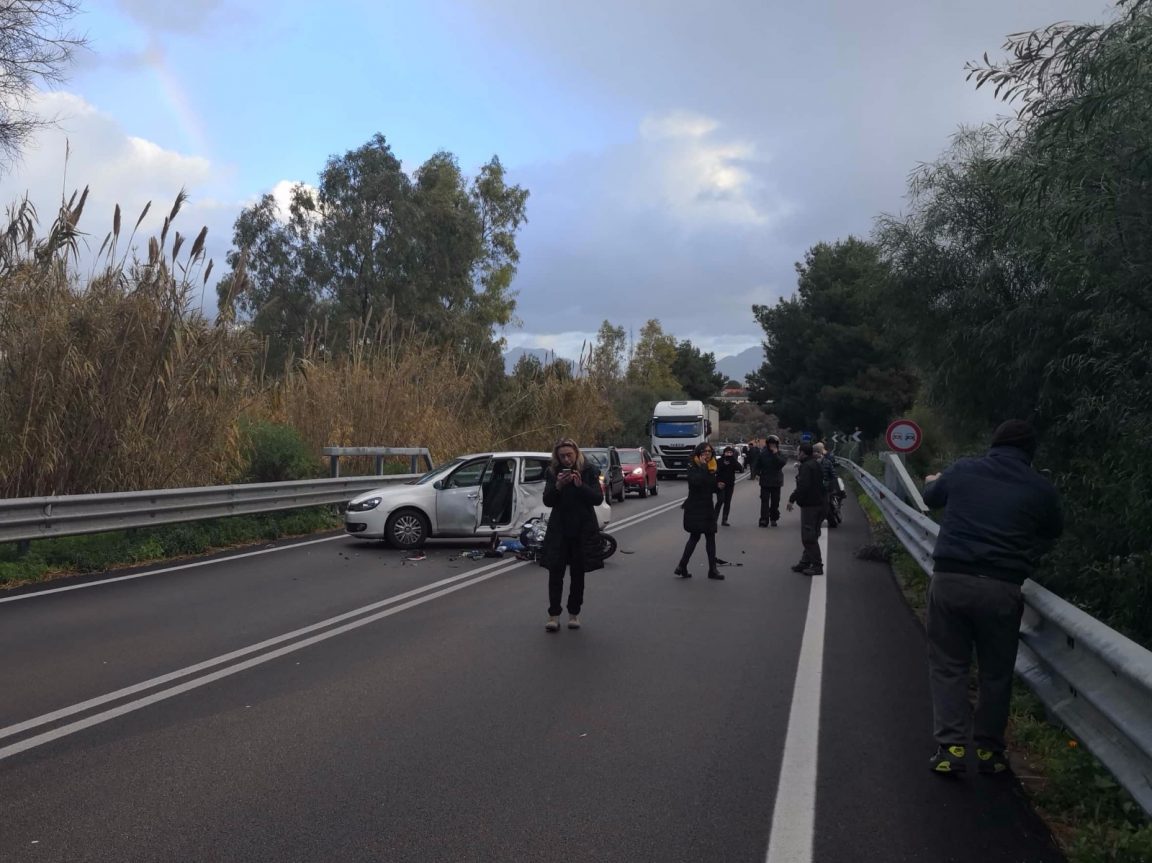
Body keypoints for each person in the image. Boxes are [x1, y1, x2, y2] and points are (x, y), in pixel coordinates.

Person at [922, 419, 1063, 775]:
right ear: (1030, 453)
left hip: (951, 579)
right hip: (1002, 587)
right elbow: (1052, 530)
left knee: (949, 665)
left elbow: (931, 498)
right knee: (996, 673)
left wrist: (933, 480)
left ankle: (951, 747)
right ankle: (988, 751)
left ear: (994, 443)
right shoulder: (1040, 487)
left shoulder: (965, 469)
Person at [541, 438, 605, 632]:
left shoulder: (589, 470)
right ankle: (553, 615)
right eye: (562, 456)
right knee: (555, 573)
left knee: (578, 574)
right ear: (557, 457)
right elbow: (548, 501)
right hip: (559, 530)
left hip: (582, 530)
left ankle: (574, 614)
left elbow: (597, 498)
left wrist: (580, 486)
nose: (566, 460)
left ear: (576, 454)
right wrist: (558, 486)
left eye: (569, 455)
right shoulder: (553, 472)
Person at [675, 442, 724, 580]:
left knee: (710, 537)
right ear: (699, 453)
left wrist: (717, 486)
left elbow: (708, 485)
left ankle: (711, 570)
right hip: (695, 506)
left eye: (709, 451)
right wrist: (703, 467)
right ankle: (682, 566)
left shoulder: (712, 466)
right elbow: (696, 482)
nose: (707, 454)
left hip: (707, 506)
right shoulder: (693, 465)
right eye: (704, 451)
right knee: (694, 537)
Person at [786, 443, 824, 575]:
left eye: (798, 452)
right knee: (812, 534)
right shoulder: (816, 464)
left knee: (808, 537)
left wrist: (792, 499)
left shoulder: (806, 466)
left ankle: (817, 566)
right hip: (820, 503)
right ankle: (804, 563)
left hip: (811, 505)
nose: (797, 454)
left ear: (803, 453)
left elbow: (803, 486)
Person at [757, 435, 788, 527]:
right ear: (767, 444)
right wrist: (757, 474)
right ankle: (764, 519)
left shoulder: (780, 453)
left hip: (776, 481)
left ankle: (774, 518)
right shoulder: (763, 453)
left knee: (775, 502)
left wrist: (775, 454)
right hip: (765, 481)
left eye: (774, 443)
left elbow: (781, 463)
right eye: (770, 443)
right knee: (764, 501)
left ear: (777, 444)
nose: (772, 445)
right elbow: (758, 464)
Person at [713, 445, 743, 526]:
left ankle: (724, 520)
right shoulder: (719, 461)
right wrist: (717, 482)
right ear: (724, 453)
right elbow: (715, 471)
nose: (729, 454)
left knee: (727, 502)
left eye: (730, 452)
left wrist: (733, 460)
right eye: (727, 452)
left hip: (730, 485)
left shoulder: (733, 461)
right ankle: (714, 520)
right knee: (720, 500)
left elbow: (741, 469)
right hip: (720, 484)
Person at [812, 442, 839, 526]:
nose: (815, 453)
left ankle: (828, 519)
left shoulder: (827, 461)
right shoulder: (810, 462)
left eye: (817, 451)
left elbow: (833, 475)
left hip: (825, 488)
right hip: (814, 488)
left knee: (826, 506)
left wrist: (830, 484)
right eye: (814, 451)